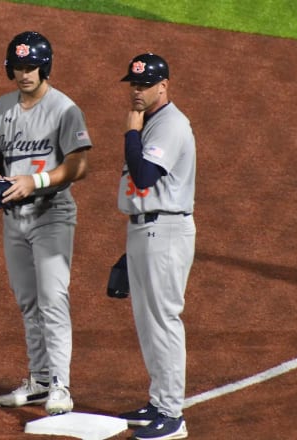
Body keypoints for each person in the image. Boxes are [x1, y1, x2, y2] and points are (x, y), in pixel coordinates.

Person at [0, 31, 92, 416]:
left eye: (30, 67)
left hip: (52, 215)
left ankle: (61, 384)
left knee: (52, 300)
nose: (24, 74)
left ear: (45, 67)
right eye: (17, 67)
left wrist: (36, 181)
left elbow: (80, 164)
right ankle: (40, 380)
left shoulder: (64, 109)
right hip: (14, 219)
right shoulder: (3, 108)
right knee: (29, 303)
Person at [115, 53, 196, 439]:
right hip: (145, 230)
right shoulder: (152, 122)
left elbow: (145, 176)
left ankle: (172, 415)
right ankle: (159, 401)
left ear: (163, 86)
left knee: (163, 322)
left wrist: (131, 131)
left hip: (165, 230)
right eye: (133, 84)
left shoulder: (170, 125)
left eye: (145, 85)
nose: (137, 91)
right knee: (148, 324)